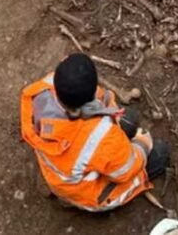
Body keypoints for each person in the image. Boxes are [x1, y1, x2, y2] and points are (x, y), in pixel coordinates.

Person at [20, 53, 170, 211]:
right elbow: (126, 170)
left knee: (128, 120)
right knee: (160, 153)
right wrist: (142, 143)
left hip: (58, 169)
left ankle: (59, 189)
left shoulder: (40, 90)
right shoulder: (98, 138)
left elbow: (98, 96)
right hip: (86, 191)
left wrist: (109, 111)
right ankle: (71, 200)